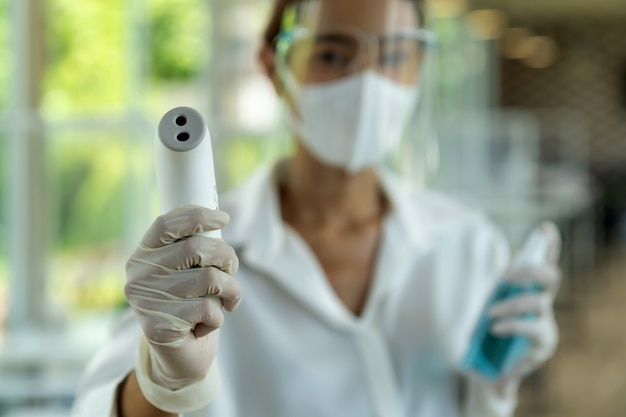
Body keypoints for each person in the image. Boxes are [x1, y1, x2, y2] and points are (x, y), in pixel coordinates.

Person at [71, 0, 562, 416]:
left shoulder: (470, 244)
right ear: (273, 66)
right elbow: (97, 406)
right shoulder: (200, 253)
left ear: (420, 67)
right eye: (332, 54)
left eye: (394, 54)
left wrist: (498, 374)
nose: (369, 84)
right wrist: (163, 381)